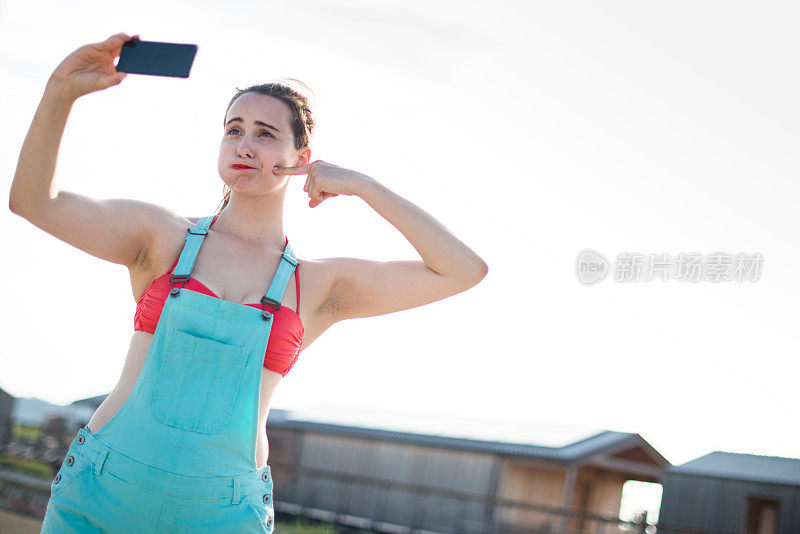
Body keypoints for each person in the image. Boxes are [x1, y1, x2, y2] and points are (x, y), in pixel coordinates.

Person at [10, 32, 488, 533]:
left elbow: (461, 269)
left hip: (221, 512)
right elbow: (34, 202)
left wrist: (362, 185)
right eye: (233, 129)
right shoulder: (160, 237)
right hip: (104, 491)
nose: (244, 145)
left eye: (265, 133)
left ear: (303, 154)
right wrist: (61, 90)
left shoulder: (318, 286)